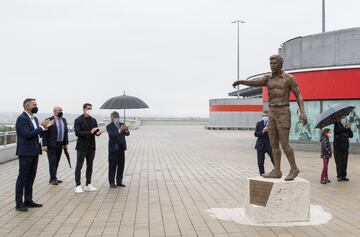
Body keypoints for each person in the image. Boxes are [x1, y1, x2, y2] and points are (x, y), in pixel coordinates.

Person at [232, 54, 308, 181]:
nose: (272, 65)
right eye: (270, 63)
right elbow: (254, 83)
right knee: (273, 144)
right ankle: (277, 170)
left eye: (274, 63)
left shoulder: (289, 78)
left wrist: (303, 112)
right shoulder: (268, 79)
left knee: (284, 144)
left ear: (280, 64)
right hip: (272, 112)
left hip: (283, 111)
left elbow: (298, 94)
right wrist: (241, 82)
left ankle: (294, 169)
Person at [15, 98, 54, 212]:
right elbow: (27, 134)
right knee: (22, 178)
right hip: (25, 152)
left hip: (34, 151)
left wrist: (45, 128)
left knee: (30, 178)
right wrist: (41, 127)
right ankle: (19, 203)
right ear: (27, 106)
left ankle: (28, 200)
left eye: (36, 104)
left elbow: (37, 134)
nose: (36, 106)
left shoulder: (35, 119)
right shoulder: (21, 119)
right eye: (34, 104)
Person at [74, 103, 102, 193]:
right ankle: (78, 185)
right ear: (84, 109)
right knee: (79, 165)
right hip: (82, 146)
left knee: (90, 165)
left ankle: (88, 184)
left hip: (91, 146)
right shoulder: (78, 120)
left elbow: (95, 131)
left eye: (91, 108)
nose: (90, 109)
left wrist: (97, 133)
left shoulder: (93, 120)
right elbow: (77, 133)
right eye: (88, 108)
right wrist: (90, 132)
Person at [42, 106, 69, 185]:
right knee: (52, 162)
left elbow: (65, 132)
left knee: (57, 162)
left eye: (62, 110)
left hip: (60, 144)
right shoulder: (49, 120)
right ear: (54, 111)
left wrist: (65, 143)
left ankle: (54, 177)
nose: (61, 111)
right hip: (51, 145)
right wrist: (44, 145)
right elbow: (45, 133)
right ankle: (53, 178)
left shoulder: (63, 120)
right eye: (59, 110)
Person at [106, 111, 130, 188]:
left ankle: (119, 181)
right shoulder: (109, 126)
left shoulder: (122, 124)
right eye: (115, 117)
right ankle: (112, 182)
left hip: (121, 148)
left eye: (118, 116)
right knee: (112, 166)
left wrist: (126, 129)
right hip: (113, 149)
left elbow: (127, 134)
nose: (117, 118)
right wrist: (119, 130)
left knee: (121, 165)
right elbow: (112, 135)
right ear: (112, 118)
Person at [254, 111, 274, 175]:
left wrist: (269, 131)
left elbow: (275, 134)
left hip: (269, 144)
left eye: (266, 116)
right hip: (260, 145)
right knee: (260, 162)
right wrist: (262, 131)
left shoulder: (272, 124)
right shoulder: (259, 123)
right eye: (263, 116)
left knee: (274, 159)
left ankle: (276, 171)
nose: (265, 117)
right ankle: (261, 174)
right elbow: (255, 134)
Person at [334, 117, 353, 181]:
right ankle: (339, 176)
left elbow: (351, 135)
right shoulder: (337, 124)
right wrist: (346, 128)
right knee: (339, 162)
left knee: (345, 162)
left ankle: (344, 175)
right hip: (338, 146)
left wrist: (349, 128)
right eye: (342, 117)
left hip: (345, 146)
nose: (344, 119)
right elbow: (337, 131)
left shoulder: (346, 126)